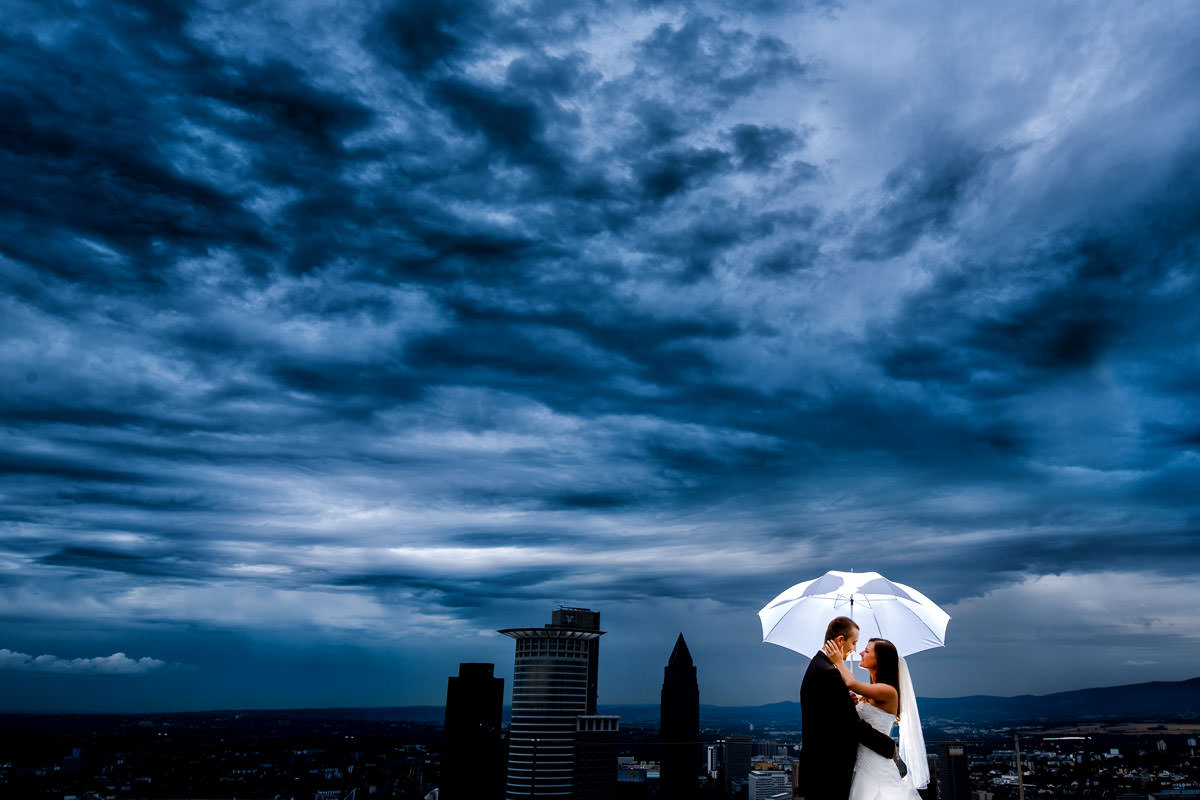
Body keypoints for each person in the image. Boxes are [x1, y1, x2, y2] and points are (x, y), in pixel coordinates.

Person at [798, 617, 901, 800]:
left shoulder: (820, 666)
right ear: (840, 641)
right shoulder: (829, 673)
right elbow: (851, 725)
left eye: (863, 648)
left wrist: (846, 699)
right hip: (828, 772)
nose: (856, 650)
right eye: (854, 643)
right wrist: (888, 745)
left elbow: (837, 716)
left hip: (825, 770)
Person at [821, 634, 929, 800]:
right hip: (863, 768)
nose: (860, 654)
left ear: (879, 659)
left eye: (866, 651)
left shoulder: (888, 691)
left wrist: (838, 661)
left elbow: (851, 683)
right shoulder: (872, 692)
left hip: (877, 769)